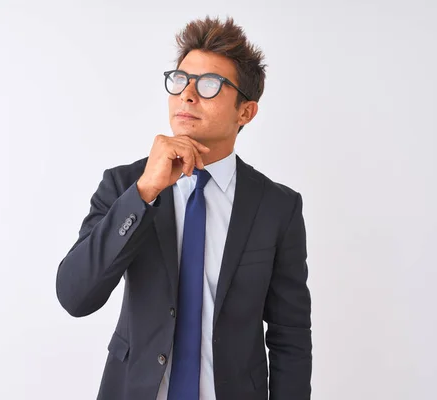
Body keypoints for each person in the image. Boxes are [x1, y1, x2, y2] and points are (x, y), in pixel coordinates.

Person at [56, 16, 312, 400]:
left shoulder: (278, 206)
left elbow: (290, 335)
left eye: (210, 85)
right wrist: (145, 193)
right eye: (180, 80)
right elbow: (75, 296)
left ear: (246, 112)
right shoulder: (126, 185)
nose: (187, 95)